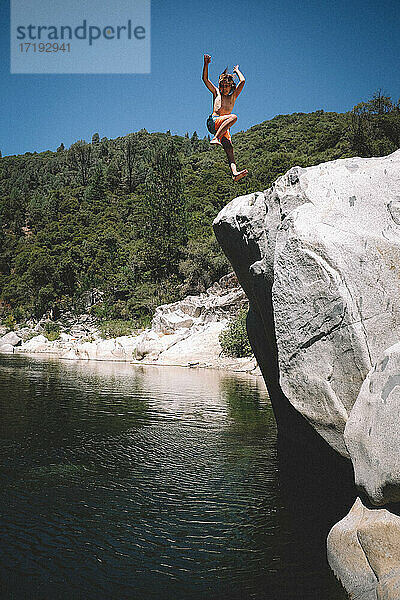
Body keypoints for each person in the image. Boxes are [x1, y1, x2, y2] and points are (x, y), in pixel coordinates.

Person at [202, 54, 248, 182]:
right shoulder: (216, 92)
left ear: (231, 86)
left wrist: (237, 71)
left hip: (223, 127)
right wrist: (206, 64)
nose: (224, 89)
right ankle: (216, 137)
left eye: (226, 87)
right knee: (233, 117)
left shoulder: (233, 97)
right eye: (222, 86)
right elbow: (205, 79)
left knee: (229, 149)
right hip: (213, 122)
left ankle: (235, 173)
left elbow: (243, 81)